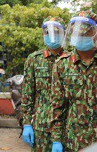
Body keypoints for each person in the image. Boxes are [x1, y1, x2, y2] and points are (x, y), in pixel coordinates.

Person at [51, 11, 96, 152]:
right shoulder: (62, 65)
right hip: (73, 141)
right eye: (77, 34)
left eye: (85, 34)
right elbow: (58, 106)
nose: (80, 37)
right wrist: (56, 139)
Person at [21, 16, 66, 152]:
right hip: (41, 126)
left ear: (63, 34)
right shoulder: (34, 60)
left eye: (56, 32)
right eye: (47, 32)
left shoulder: (70, 60)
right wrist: (27, 123)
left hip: (66, 127)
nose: (51, 35)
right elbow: (27, 94)